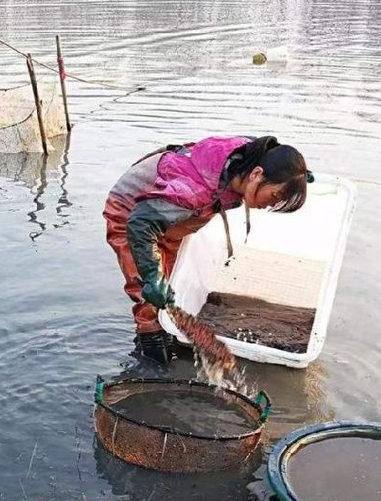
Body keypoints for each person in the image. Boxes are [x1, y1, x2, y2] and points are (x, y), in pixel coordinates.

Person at [104, 135, 310, 364]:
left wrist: (298, 175)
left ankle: (168, 337)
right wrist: (152, 276)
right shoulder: (194, 190)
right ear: (257, 174)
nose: (271, 205)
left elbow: (266, 146)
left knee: (171, 286)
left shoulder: (248, 157)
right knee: (150, 295)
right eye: (275, 197)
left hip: (169, 216)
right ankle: (151, 362)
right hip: (133, 214)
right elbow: (140, 223)